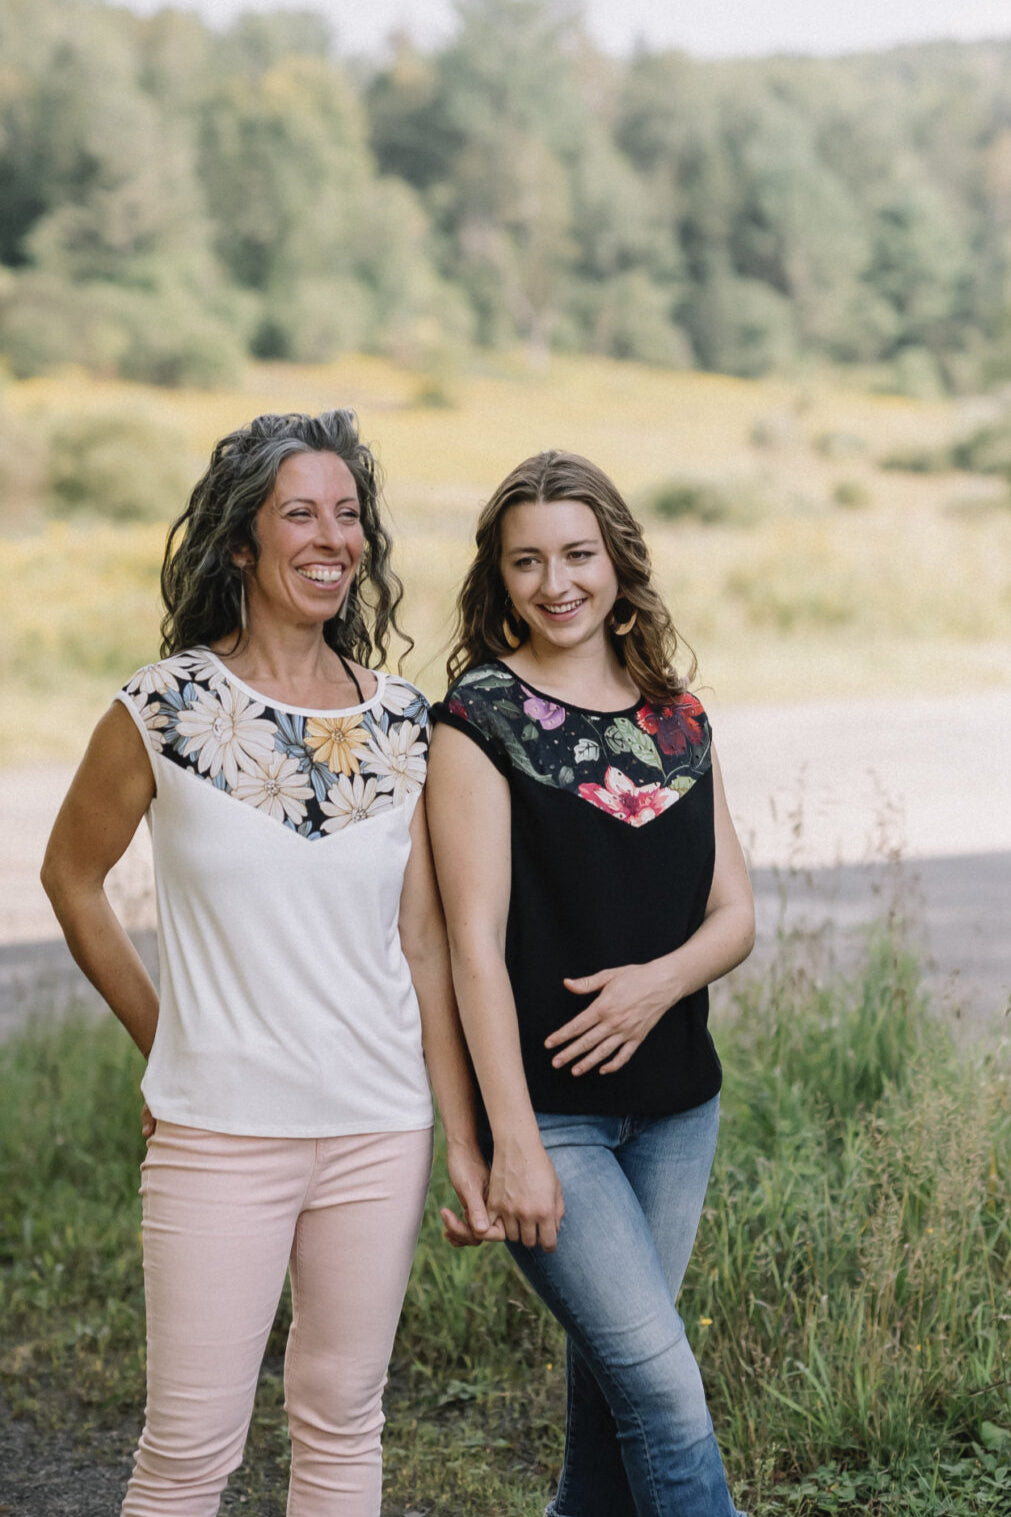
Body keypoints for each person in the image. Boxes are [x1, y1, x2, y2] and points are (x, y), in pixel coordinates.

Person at [41, 410, 493, 1517]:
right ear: (242, 541)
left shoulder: (401, 720)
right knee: (190, 1451)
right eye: (302, 511)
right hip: (220, 1129)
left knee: (343, 1423)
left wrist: (463, 1134)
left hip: (379, 1126)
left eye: (349, 514)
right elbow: (71, 878)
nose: (333, 536)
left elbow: (425, 942)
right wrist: (166, 1041)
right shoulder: (167, 706)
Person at [426, 450, 755, 1517]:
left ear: (618, 561)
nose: (555, 581)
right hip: (553, 1119)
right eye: (527, 561)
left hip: (677, 1110)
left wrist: (656, 985)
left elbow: (735, 916)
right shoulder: (481, 716)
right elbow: (471, 942)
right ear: (500, 576)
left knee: (618, 1397)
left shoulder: (678, 716)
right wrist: (507, 1140)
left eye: (577, 553)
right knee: (663, 1389)